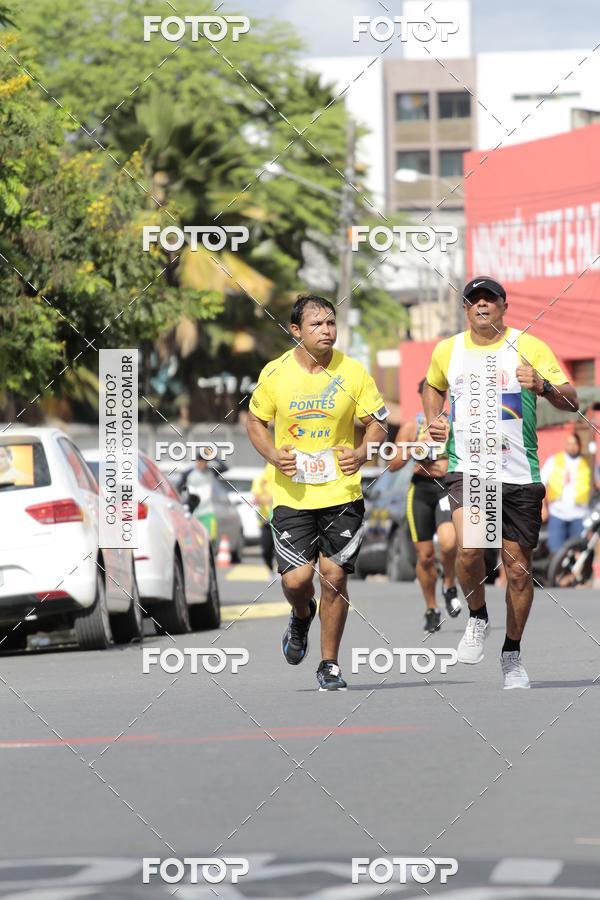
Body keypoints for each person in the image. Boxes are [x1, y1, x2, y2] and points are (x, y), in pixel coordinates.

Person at [423, 276, 579, 689]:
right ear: (465, 310)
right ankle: (478, 616)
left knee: (519, 571)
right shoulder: (448, 349)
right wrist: (436, 418)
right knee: (471, 548)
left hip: (520, 474)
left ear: (504, 306)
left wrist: (543, 386)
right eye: (474, 300)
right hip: (470, 469)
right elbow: (432, 385)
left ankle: (512, 654)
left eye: (490, 299)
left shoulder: (529, 346)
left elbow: (571, 398)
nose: (482, 306)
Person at [246, 294, 388, 691]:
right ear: (296, 331)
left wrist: (362, 452)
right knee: (296, 582)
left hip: (342, 492)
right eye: (316, 325)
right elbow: (255, 422)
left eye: (331, 323)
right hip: (292, 496)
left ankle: (329, 664)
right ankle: (301, 614)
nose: (326, 331)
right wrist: (274, 454)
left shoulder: (354, 372)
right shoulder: (275, 374)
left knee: (334, 577)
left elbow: (376, 422)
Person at [389, 378, 461, 633]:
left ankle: (449, 583)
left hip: (446, 487)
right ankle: (432, 607)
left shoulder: (456, 423)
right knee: (425, 556)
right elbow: (393, 463)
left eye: (440, 395)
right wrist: (411, 448)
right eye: (429, 395)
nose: (435, 401)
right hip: (420, 489)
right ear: (422, 398)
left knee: (450, 542)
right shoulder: (414, 425)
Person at [541, 433, 592, 552]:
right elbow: (541, 483)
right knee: (556, 550)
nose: (572, 446)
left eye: (575, 443)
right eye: (569, 443)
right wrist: (543, 507)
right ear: (565, 445)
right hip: (557, 514)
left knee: (579, 552)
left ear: (579, 445)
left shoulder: (587, 463)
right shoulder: (554, 460)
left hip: (580, 515)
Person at [252, 463, 276, 571]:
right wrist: (270, 499)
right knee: (266, 549)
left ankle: (280, 571)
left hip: (282, 519)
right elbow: (256, 498)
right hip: (266, 520)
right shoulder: (260, 479)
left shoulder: (284, 477)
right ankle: (270, 569)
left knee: (281, 548)